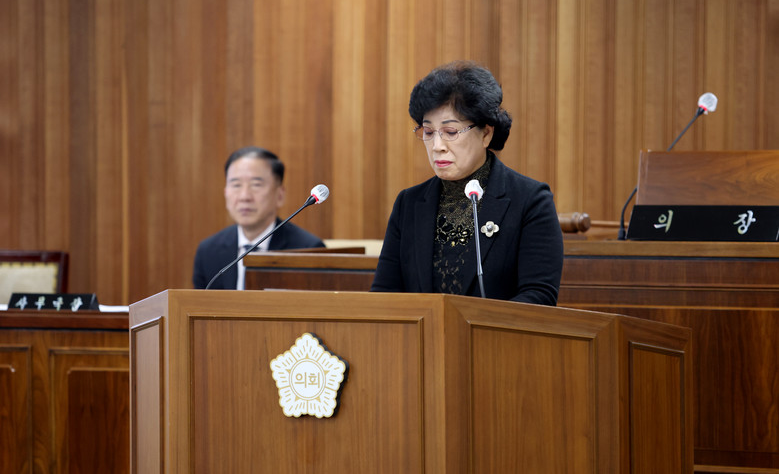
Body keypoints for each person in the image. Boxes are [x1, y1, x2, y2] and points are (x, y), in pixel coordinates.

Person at [370, 61, 563, 305]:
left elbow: (539, 296)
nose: (437, 146)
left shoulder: (530, 201)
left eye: (450, 132)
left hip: (495, 331)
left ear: (486, 134)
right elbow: (384, 295)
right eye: (428, 132)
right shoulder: (408, 204)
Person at [193, 146, 325, 289]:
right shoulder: (208, 251)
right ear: (226, 193)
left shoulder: (308, 250)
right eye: (236, 185)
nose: (244, 196)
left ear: (280, 195)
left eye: (256, 185)